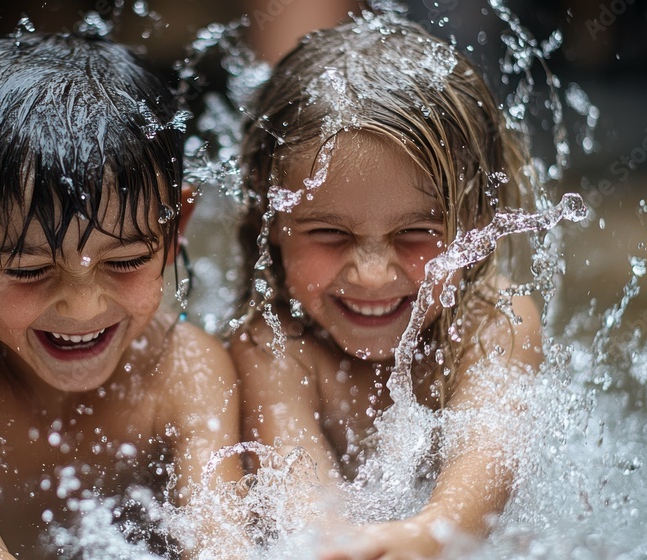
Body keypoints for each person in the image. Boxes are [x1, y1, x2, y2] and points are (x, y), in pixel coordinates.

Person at [0, 32, 243, 559]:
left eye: (125, 260)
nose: (82, 306)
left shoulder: (187, 371)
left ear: (176, 228)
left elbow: (223, 543)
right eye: (30, 268)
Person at [230, 9, 544, 559]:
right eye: (329, 233)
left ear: (476, 216)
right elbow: (309, 521)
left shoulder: (496, 323)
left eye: (416, 233)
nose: (371, 273)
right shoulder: (271, 349)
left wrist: (431, 536)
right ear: (269, 212)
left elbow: (485, 467)